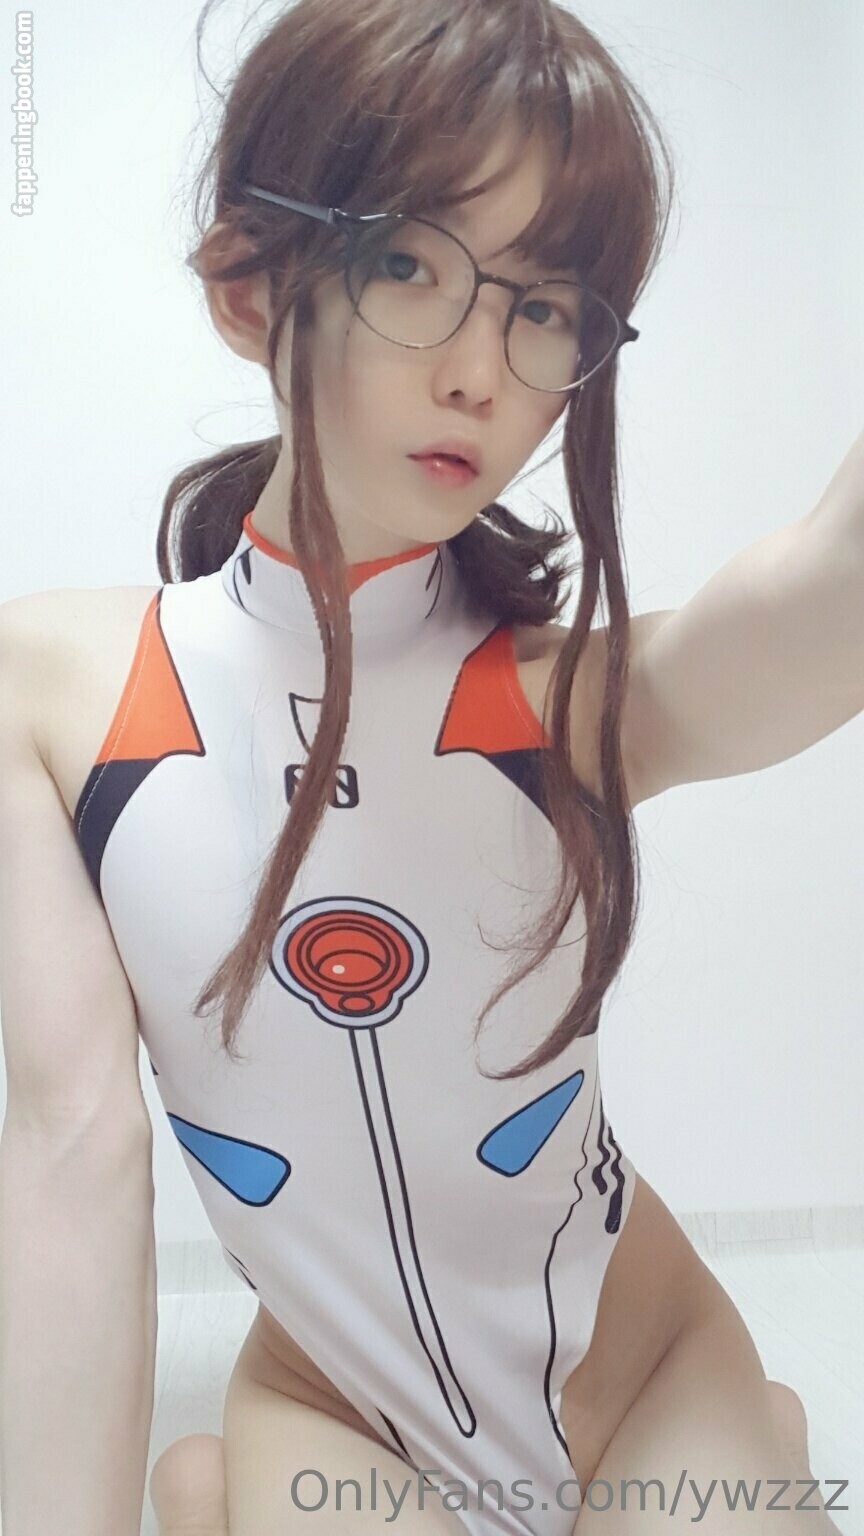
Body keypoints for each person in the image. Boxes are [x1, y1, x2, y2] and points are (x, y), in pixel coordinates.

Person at [1, 1, 860, 1533]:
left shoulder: (565, 701)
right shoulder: (55, 695)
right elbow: (71, 1147)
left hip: (645, 1370)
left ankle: (746, 1441)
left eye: (547, 306)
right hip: (339, 1410)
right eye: (410, 263)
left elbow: (820, 600)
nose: (482, 368)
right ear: (249, 284)